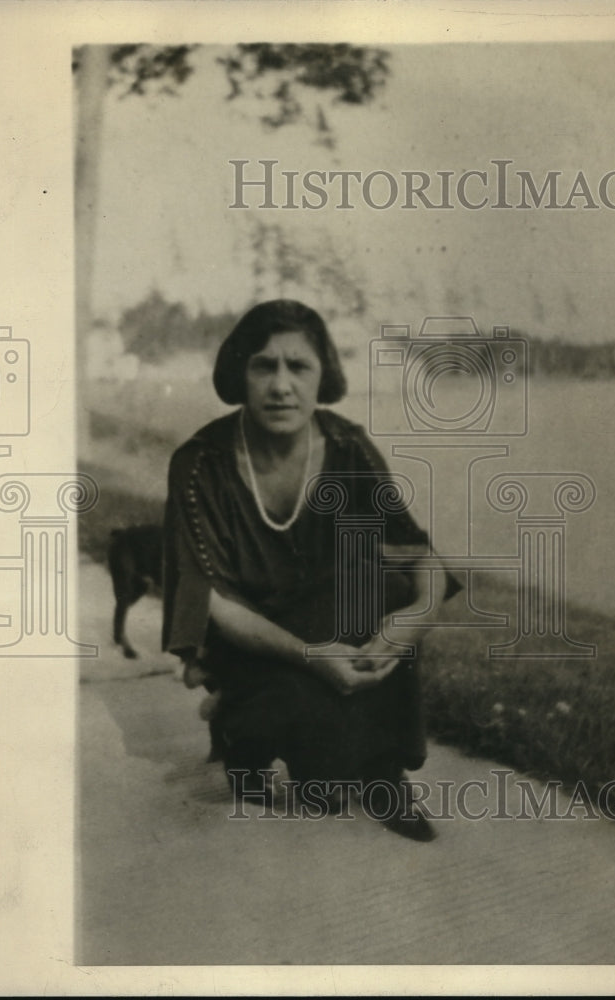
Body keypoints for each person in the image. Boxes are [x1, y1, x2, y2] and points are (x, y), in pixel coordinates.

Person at [162, 300, 459, 841]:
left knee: (384, 585)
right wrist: (316, 659)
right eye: (263, 366)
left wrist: (414, 618)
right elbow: (210, 601)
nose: (280, 386)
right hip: (247, 642)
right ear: (238, 373)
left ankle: (383, 772)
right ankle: (241, 733)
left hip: (324, 621)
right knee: (319, 780)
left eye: (297, 367)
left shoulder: (347, 446)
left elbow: (419, 556)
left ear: (323, 376)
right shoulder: (199, 464)